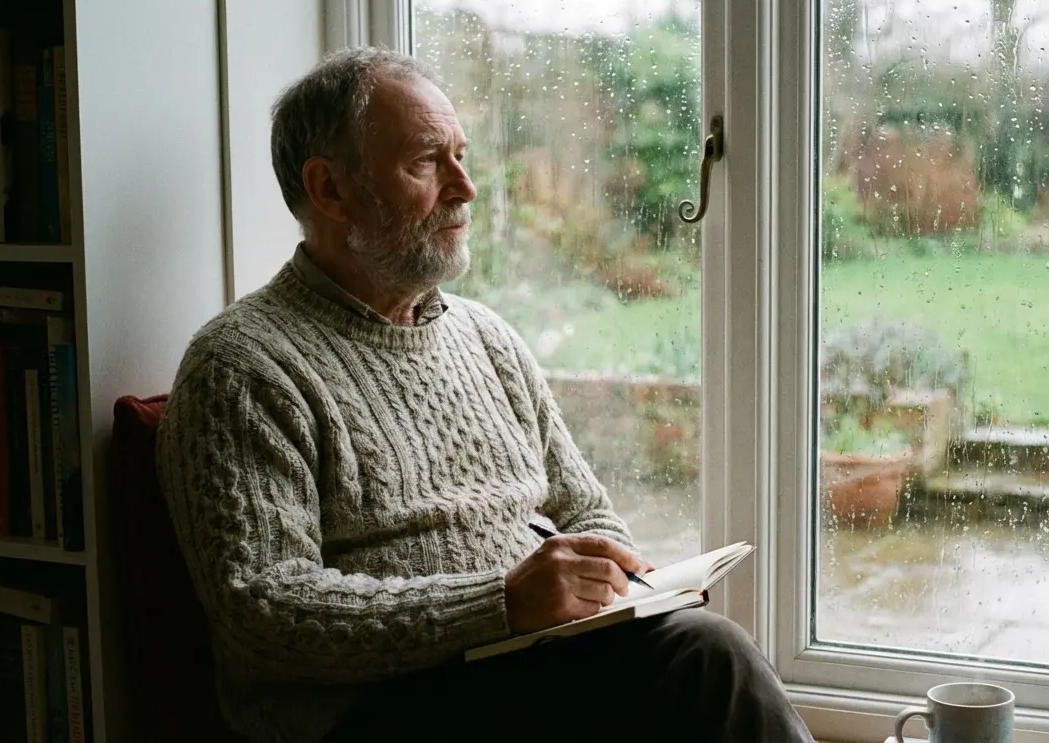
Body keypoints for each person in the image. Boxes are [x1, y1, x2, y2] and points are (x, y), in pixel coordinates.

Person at [155, 46, 814, 743]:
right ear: (330, 189)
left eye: (461, 155)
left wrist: (620, 586)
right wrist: (498, 606)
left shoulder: (486, 338)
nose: (465, 187)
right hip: (377, 710)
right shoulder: (242, 366)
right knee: (706, 663)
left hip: (530, 669)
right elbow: (263, 610)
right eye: (426, 162)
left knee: (705, 651)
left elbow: (584, 506)